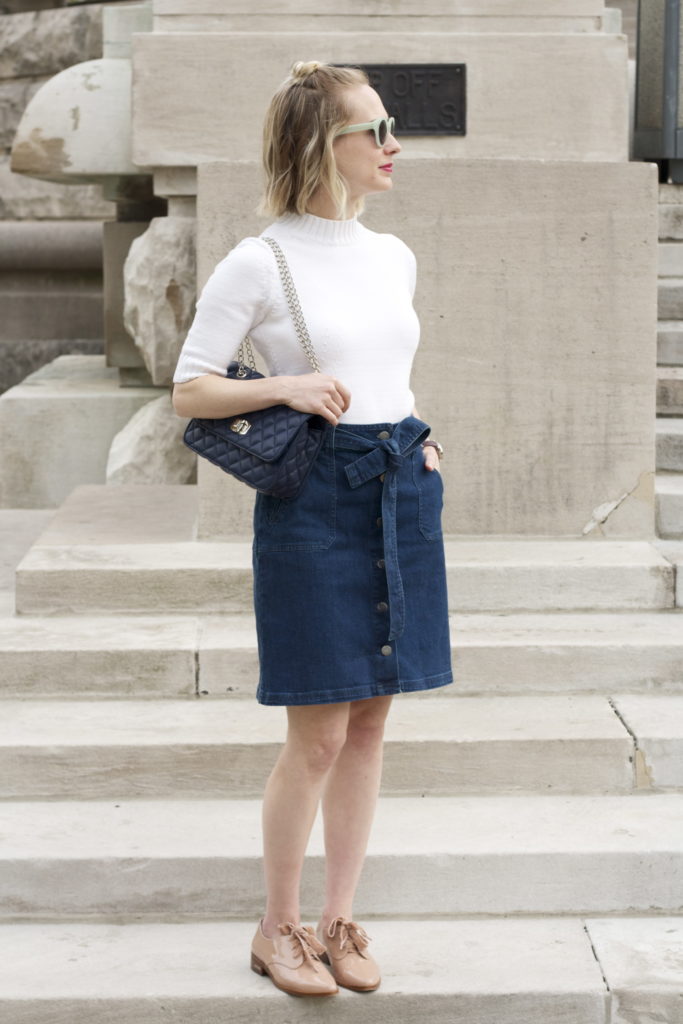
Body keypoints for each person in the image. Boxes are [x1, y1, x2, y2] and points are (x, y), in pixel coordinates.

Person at [172, 60, 453, 998]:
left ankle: (338, 919)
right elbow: (189, 385)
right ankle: (276, 926)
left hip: (398, 484)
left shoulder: (394, 253)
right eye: (371, 132)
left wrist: (422, 435)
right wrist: (283, 384)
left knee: (371, 725)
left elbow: (385, 366)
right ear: (316, 146)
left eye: (388, 128)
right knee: (317, 736)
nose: (391, 147)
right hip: (314, 500)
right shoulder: (262, 260)